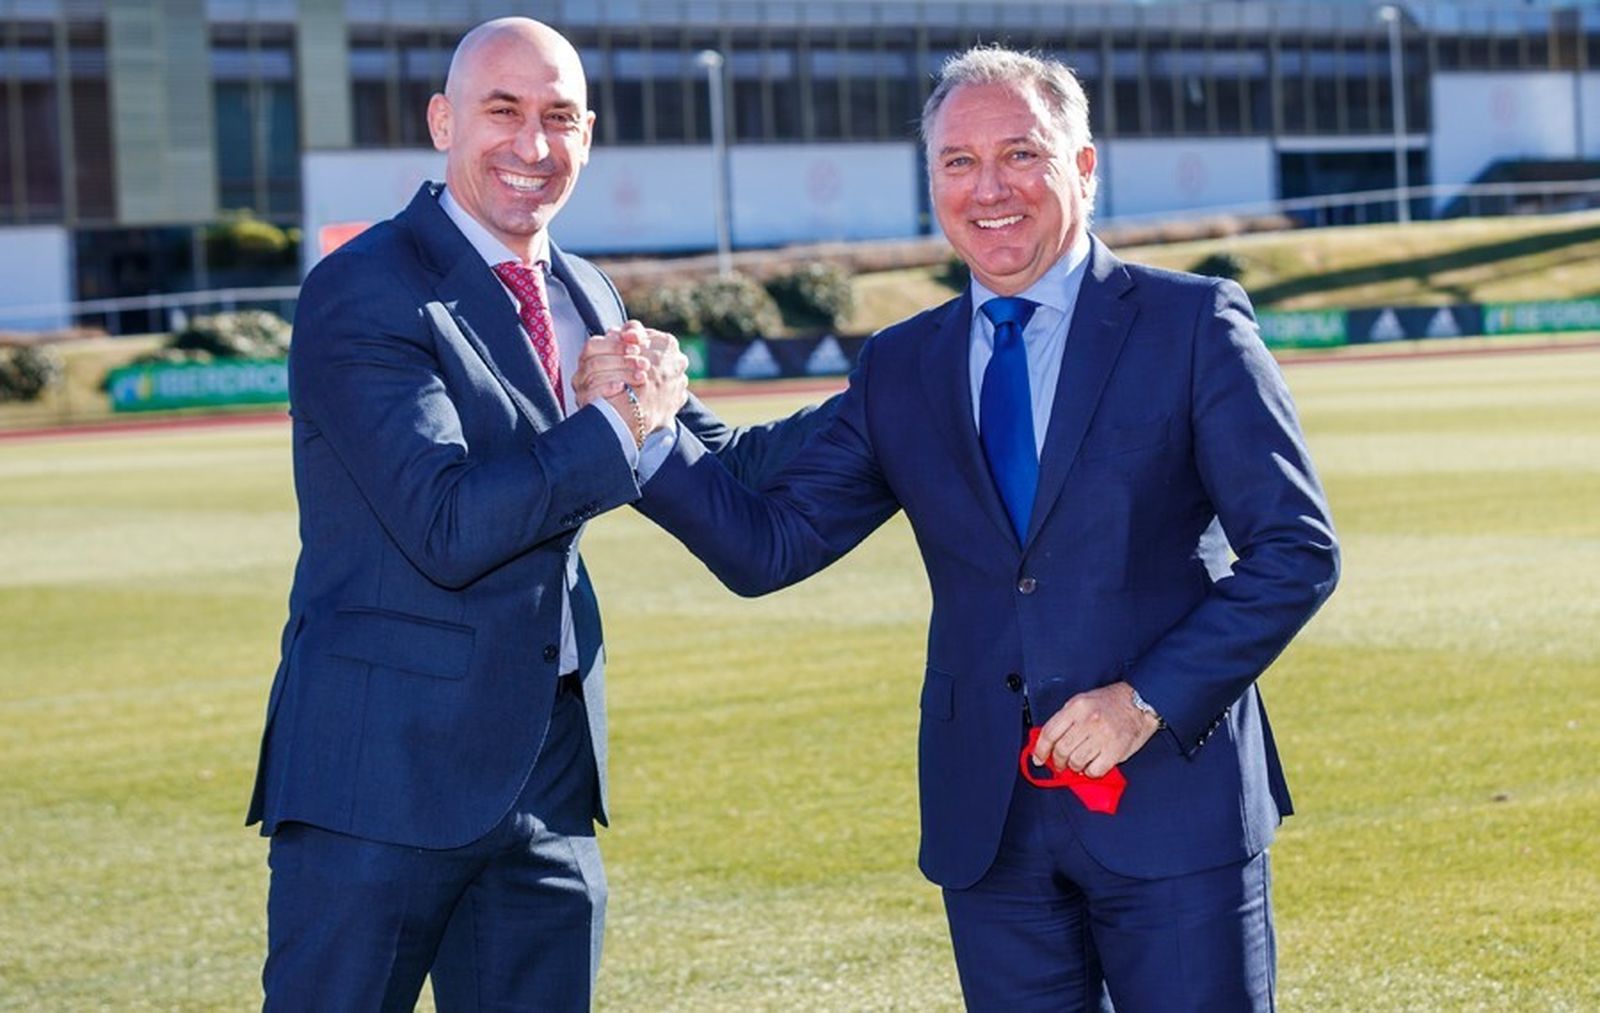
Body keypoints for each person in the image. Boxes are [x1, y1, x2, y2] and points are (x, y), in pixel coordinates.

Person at [609, 46, 1339, 1011]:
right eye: (958, 162)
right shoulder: (904, 364)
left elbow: (1296, 550)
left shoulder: (1190, 323)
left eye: (1021, 155)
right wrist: (649, 436)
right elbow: (768, 544)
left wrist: (1144, 700)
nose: (989, 188)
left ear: (1083, 166)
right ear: (932, 184)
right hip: (987, 825)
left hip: (1171, 804)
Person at [245, 17, 825, 1011]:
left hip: (547, 782)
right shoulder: (366, 288)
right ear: (442, 120)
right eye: (501, 111)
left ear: (587, 135)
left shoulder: (588, 293)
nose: (532, 143)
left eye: (559, 117)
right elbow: (447, 523)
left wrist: (916, 387)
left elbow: (723, 474)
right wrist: (608, 423)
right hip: (376, 780)